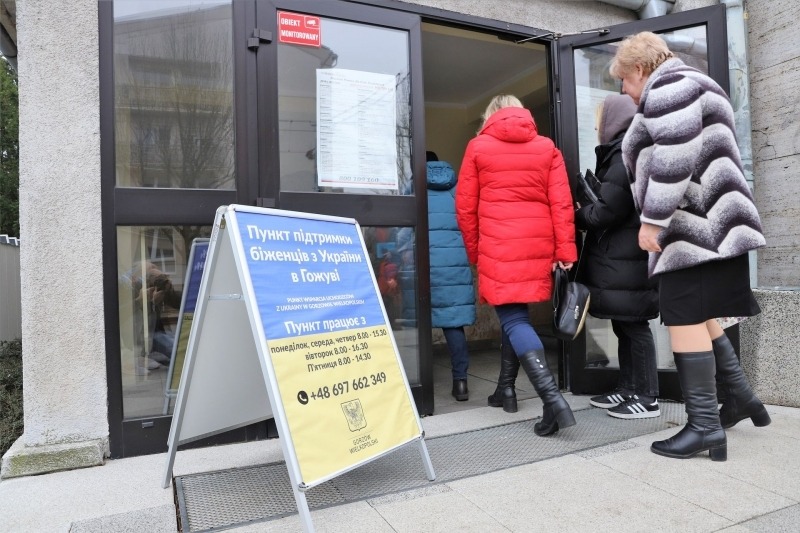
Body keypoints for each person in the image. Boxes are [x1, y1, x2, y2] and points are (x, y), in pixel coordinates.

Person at [611, 32, 770, 461]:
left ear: (640, 69)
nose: (624, 91)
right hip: (711, 226)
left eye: (624, 80)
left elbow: (676, 154)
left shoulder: (669, 86)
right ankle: (738, 397)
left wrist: (652, 220)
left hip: (694, 230)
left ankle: (704, 427)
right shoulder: (693, 82)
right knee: (699, 312)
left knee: (682, 313)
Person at [456, 94, 578, 436]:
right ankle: (505, 388)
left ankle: (553, 400)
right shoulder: (545, 147)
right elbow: (562, 203)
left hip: (498, 241)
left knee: (511, 317)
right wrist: (565, 250)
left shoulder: (478, 147)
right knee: (517, 314)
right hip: (538, 241)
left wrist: (475, 253)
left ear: (491, 115)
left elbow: (465, 208)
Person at [575, 94, 660, 419]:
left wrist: (580, 213)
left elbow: (608, 211)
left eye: (600, 119)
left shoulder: (625, 153)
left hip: (629, 258)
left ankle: (648, 397)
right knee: (625, 326)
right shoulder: (622, 152)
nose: (597, 127)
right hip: (622, 257)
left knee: (635, 327)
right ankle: (629, 388)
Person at [425, 151, 477, 401]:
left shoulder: (414, 188)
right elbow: (470, 225)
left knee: (416, 325)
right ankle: (460, 383)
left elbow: (404, 232)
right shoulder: (457, 190)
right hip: (454, 265)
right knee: (453, 324)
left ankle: (418, 382)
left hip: (425, 263)